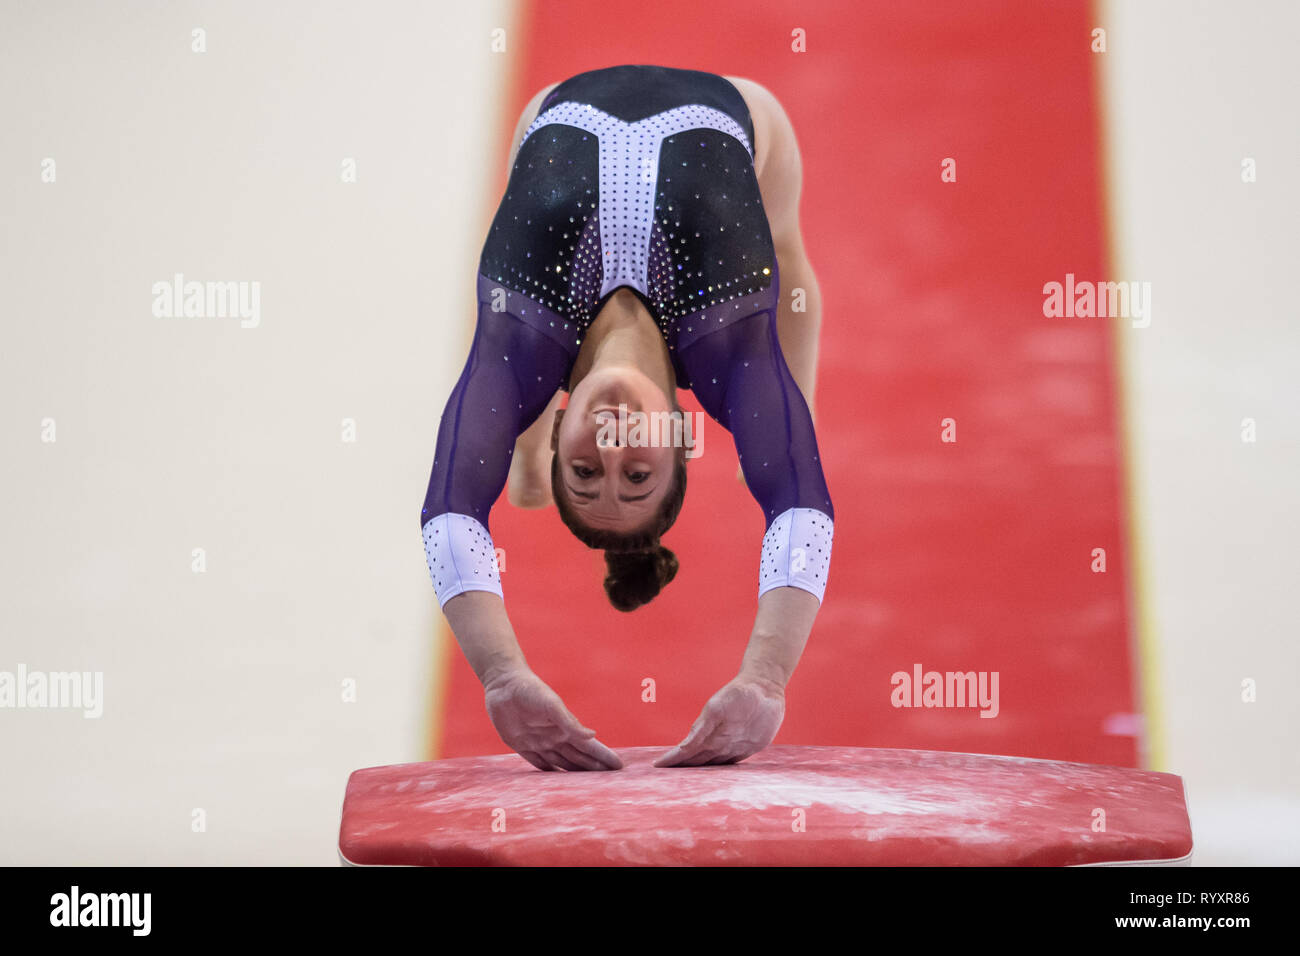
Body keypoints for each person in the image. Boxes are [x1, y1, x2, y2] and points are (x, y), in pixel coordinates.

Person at [420, 65, 833, 772]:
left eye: (584, 470)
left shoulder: (524, 336)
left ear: (561, 432)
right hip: (742, 111)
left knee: (501, 351)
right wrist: (765, 681)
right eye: (636, 473)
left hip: (549, 110)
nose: (610, 446)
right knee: (785, 274)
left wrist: (503, 677)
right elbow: (805, 513)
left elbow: (450, 514)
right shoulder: (725, 341)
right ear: (679, 437)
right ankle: (786, 427)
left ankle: (521, 453)